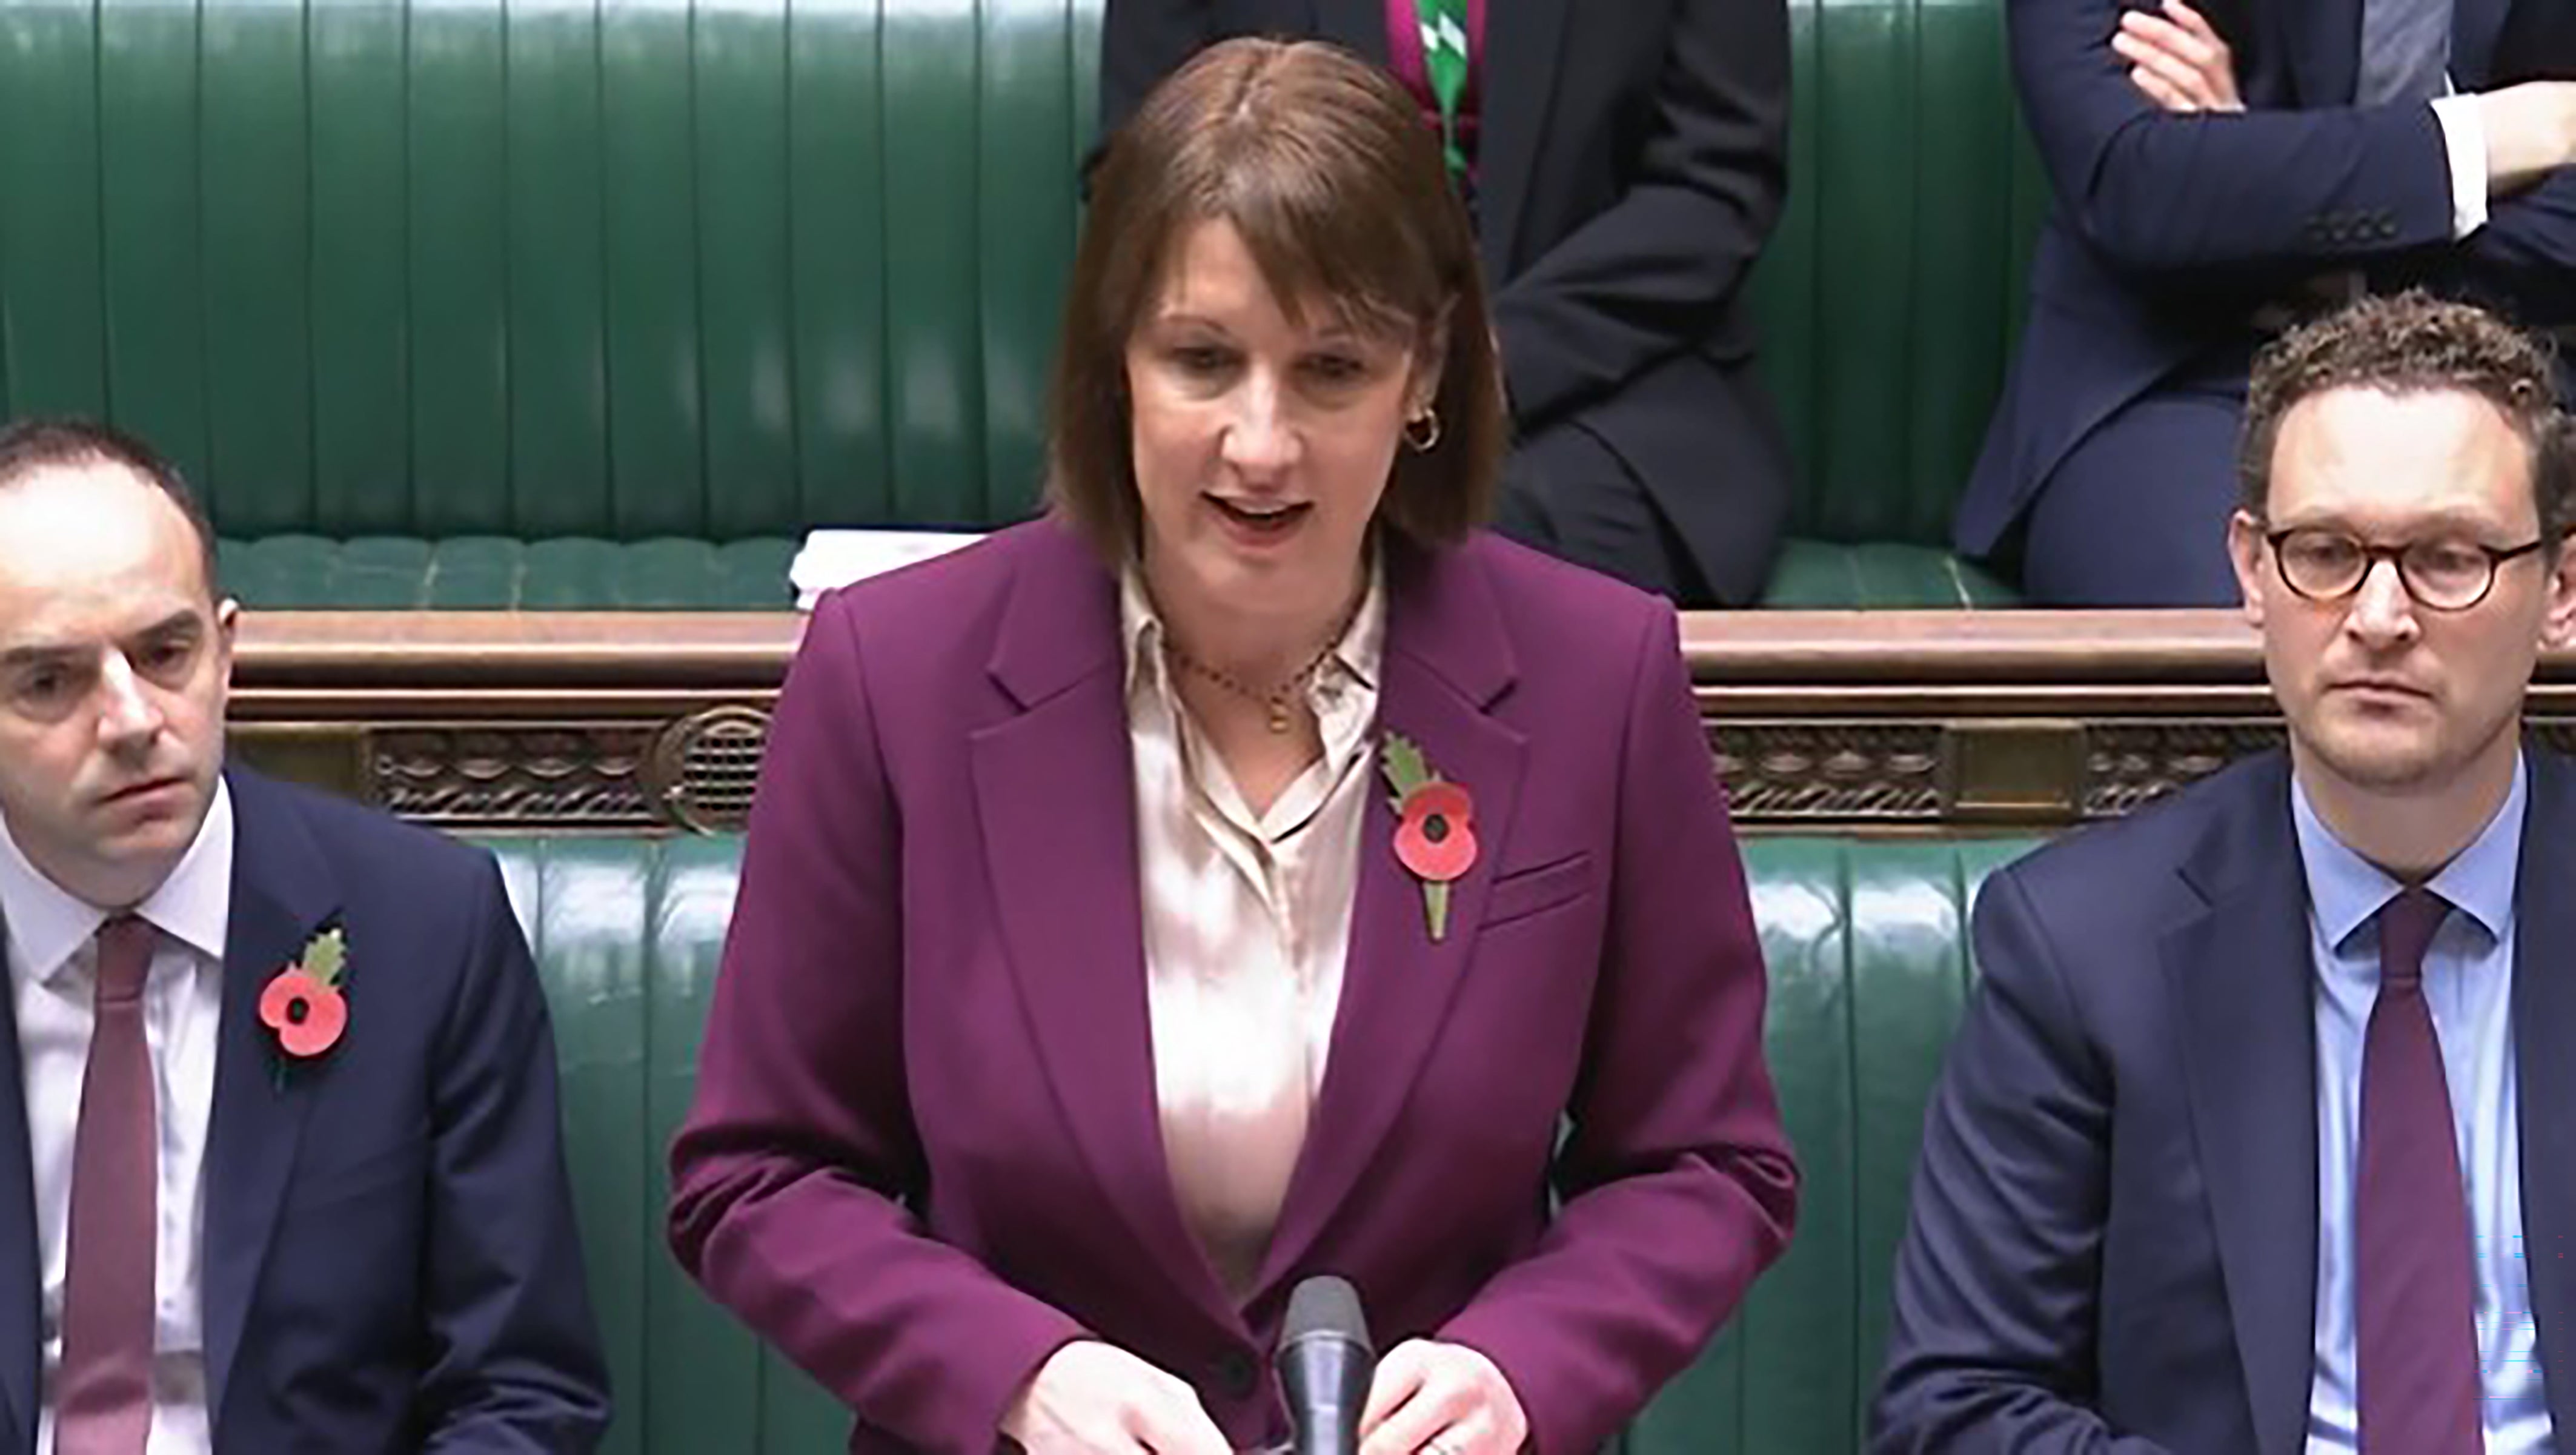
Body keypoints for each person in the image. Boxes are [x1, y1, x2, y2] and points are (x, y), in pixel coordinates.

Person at [669, 38, 1798, 1455]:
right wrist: (1020, 1374)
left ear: (1425, 374)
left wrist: (1520, 1368)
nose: (1260, 444)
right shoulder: (893, 675)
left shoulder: (1596, 677)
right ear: (1114, 363)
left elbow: (1703, 1159)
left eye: (1331, 368)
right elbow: (759, 1174)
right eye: (1203, 359)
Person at [1874, 293, 2576, 1450]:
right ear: (2252, 570)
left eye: (2449, 558)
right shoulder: (2080, 949)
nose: (2380, 616)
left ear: (2556, 588)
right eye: (2326, 554)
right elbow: (1953, 1411)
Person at [0, 419, 610, 1452]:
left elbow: (522, 1395)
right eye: (49, 681)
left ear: (227, 651)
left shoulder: (425, 930)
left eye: (165, 653)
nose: (133, 719)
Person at [1096, 0, 1796, 608]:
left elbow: (1714, 184)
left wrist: (1475, 360)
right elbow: (1141, 170)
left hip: (1608, 388)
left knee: (1483, 552)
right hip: (1272, 360)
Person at [1955, 0, 2576, 605]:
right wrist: (2481, 144)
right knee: (2261, 643)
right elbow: (2136, 183)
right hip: (2196, 374)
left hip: (2517, 372)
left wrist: (2258, 181)